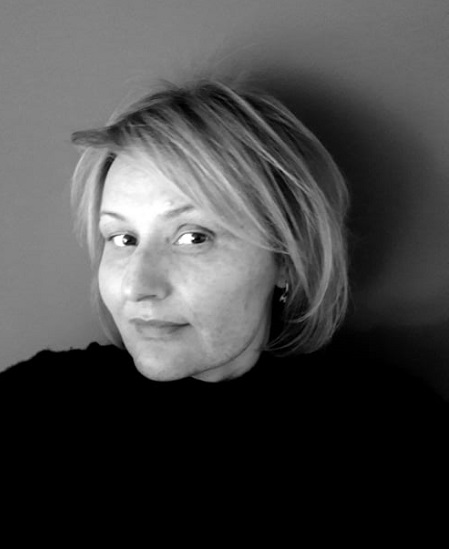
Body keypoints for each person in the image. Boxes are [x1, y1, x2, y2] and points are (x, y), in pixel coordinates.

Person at [1, 75, 447, 473]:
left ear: (287, 259)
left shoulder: (392, 426)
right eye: (123, 238)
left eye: (193, 237)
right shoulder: (38, 404)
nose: (137, 286)